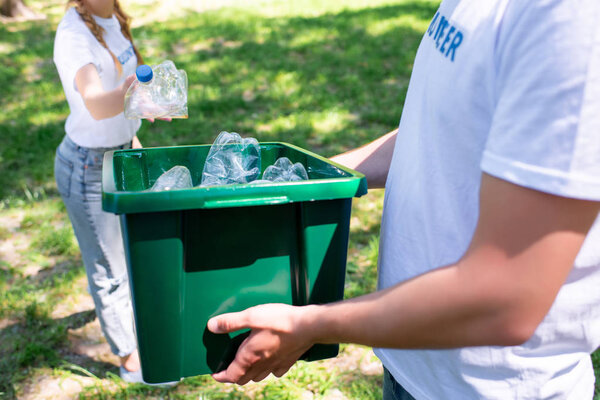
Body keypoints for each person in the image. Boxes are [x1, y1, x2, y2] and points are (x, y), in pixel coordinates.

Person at [206, 0, 600, 398]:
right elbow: (445, 126)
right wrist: (302, 182)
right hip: (410, 364)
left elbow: (507, 297)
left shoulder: (570, 21)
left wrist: (312, 324)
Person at [53, 0, 147, 383]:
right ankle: (129, 360)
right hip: (88, 167)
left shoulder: (111, 16)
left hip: (122, 154)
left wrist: (134, 130)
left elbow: (129, 83)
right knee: (110, 269)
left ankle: (132, 326)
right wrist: (132, 92)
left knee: (129, 254)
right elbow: (94, 102)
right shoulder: (74, 33)